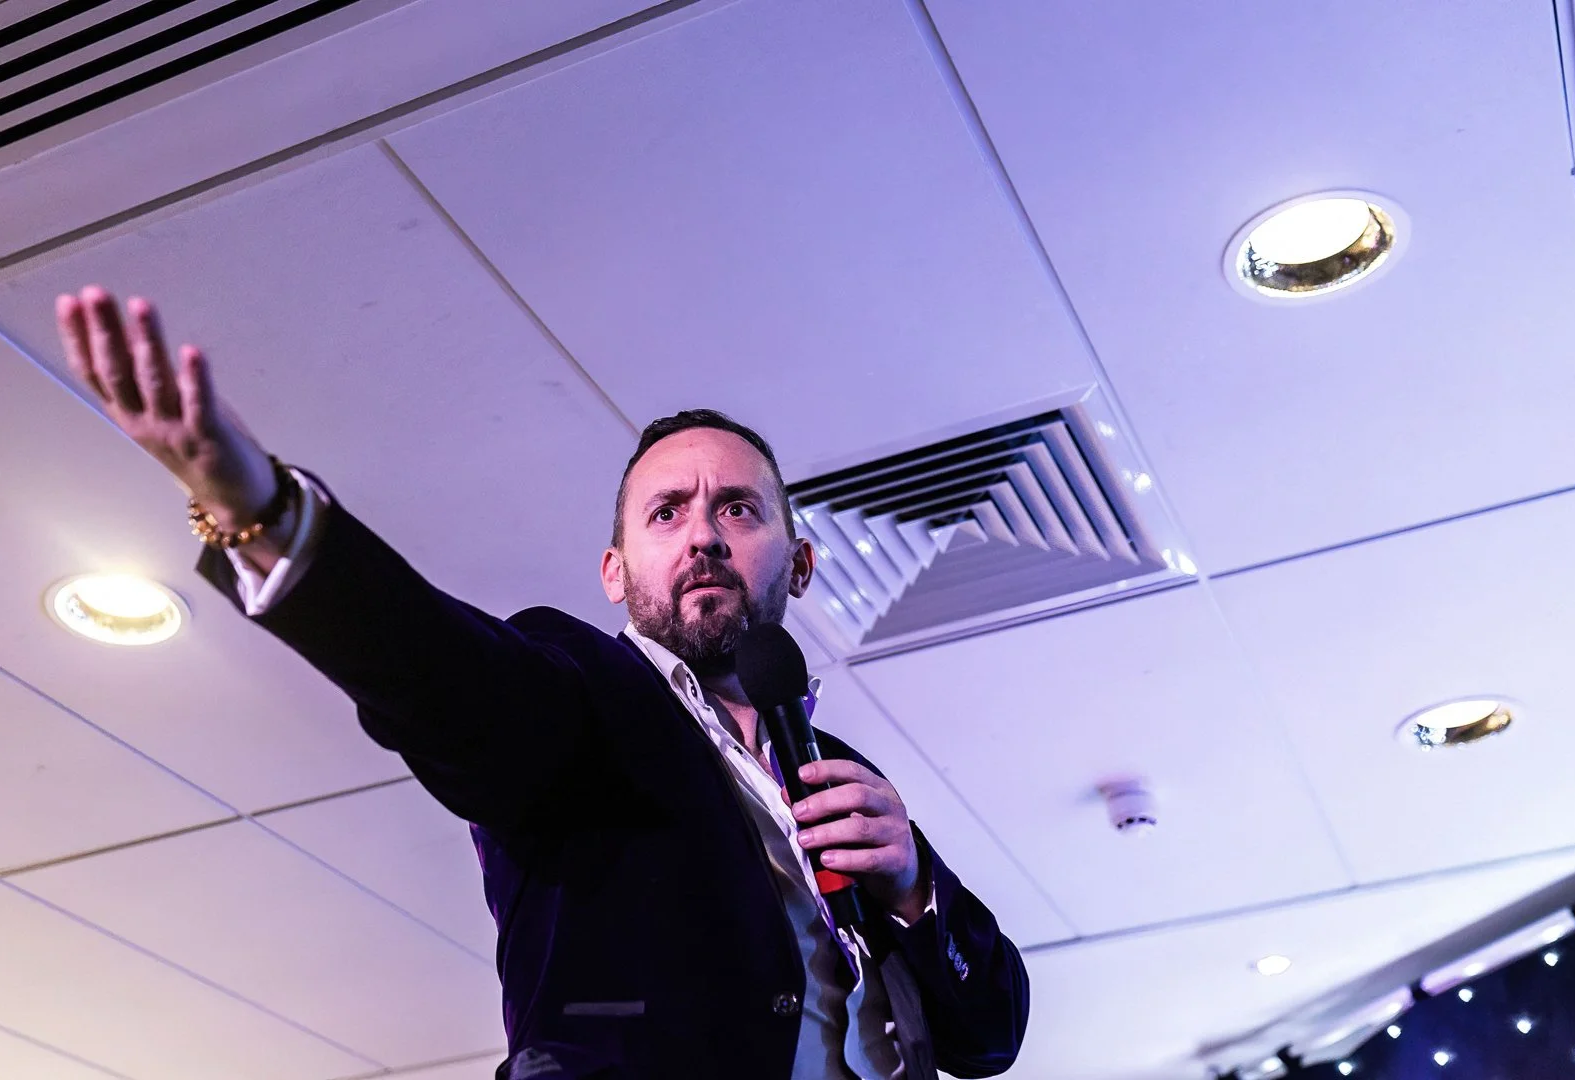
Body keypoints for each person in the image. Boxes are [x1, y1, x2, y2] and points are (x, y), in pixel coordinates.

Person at [53, 286, 1030, 1080]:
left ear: (801, 564)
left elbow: (990, 1036)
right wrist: (267, 516)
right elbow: (443, 676)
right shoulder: (584, 693)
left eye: (738, 509)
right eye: (666, 513)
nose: (701, 533)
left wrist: (914, 890)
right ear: (614, 572)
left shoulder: (842, 779)